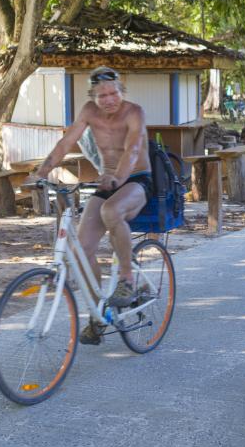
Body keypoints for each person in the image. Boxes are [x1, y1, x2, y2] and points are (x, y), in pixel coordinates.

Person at [29, 67, 153, 345]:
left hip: (136, 180)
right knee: (80, 249)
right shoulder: (89, 111)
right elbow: (65, 142)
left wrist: (118, 178)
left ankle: (127, 277)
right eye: (102, 95)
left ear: (121, 91)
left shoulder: (135, 112)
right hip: (107, 181)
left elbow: (133, 150)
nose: (109, 99)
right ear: (92, 97)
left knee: (111, 211)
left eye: (113, 93)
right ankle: (98, 312)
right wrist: (39, 174)